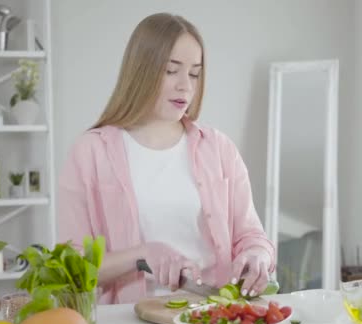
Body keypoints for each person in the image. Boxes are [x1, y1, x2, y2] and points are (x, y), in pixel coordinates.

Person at [58, 12, 275, 304]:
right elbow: (70, 269)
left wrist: (257, 256)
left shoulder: (220, 149)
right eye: (171, 70)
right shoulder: (90, 153)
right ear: (141, 71)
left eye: (194, 73)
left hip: (212, 320)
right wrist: (141, 254)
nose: (185, 85)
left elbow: (252, 236)